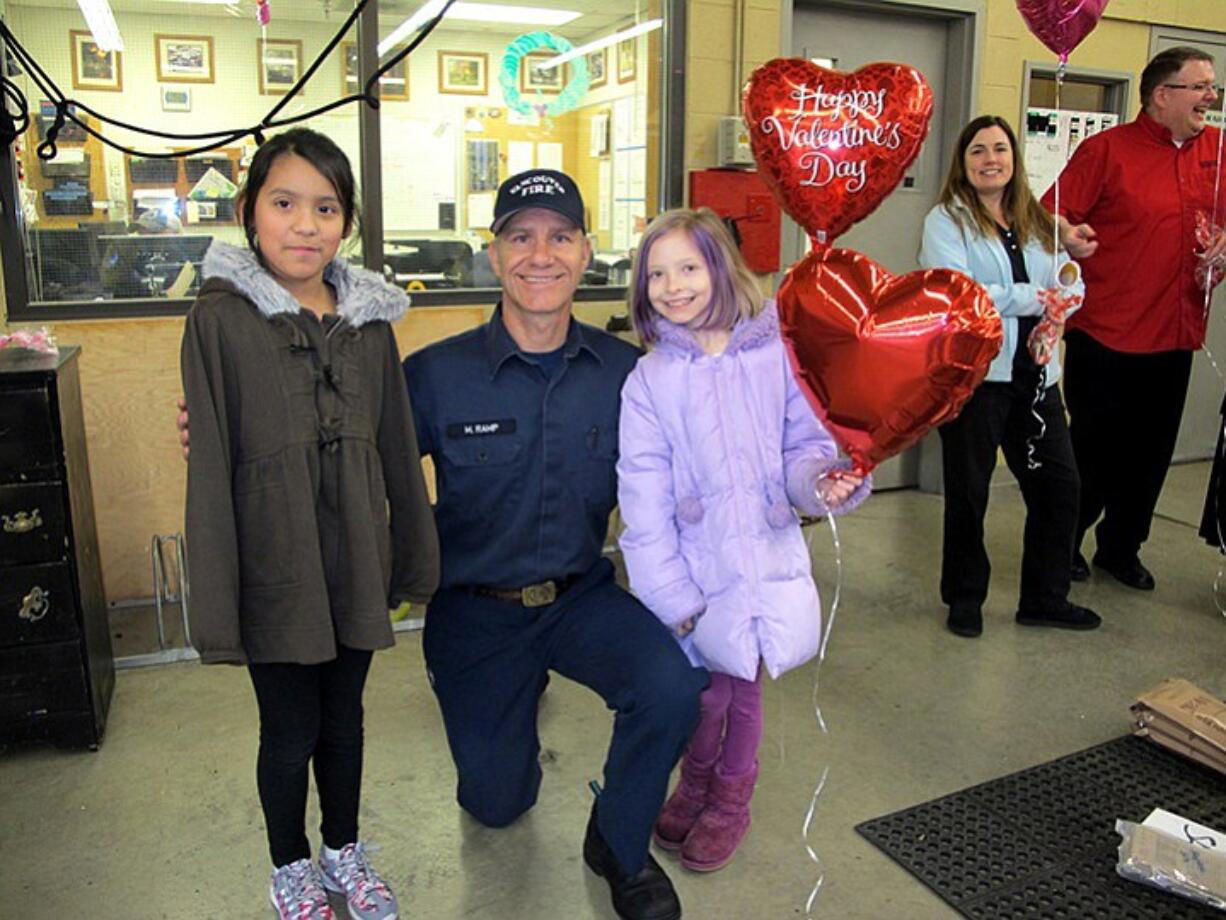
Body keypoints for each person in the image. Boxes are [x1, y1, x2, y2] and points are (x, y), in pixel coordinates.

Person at [402, 170, 706, 920]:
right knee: (496, 804)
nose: (541, 255)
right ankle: (511, 715)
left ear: (587, 251)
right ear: (494, 253)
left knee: (673, 688)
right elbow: (346, 460)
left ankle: (618, 841)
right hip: (475, 614)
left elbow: (712, 452)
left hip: (580, 596)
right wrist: (230, 426)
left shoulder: (628, 375)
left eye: (560, 236)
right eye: (520, 237)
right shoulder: (435, 376)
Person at [180, 128, 440, 920]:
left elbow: (397, 443)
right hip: (276, 563)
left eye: (325, 207)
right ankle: (290, 865)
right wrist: (218, 596)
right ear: (248, 212)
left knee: (346, 720)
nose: (304, 224)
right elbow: (212, 461)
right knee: (288, 729)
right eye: (284, 203)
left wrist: (410, 558)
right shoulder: (219, 322)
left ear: (348, 223)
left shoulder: (370, 322)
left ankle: (344, 850)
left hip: (354, 556)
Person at [616, 208, 869, 871]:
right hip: (697, 576)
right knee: (705, 693)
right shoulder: (649, 382)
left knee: (744, 691)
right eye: (657, 274)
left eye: (688, 267)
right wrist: (670, 595)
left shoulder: (775, 356)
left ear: (721, 267)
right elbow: (641, 500)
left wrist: (822, 484)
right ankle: (695, 781)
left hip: (762, 564)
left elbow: (804, 449)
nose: (673, 286)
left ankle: (730, 795)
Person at [1042, 46, 1226, 591]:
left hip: (1177, 331)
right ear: (1161, 95)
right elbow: (1050, 214)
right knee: (1094, 452)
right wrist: (1069, 238)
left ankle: (1122, 548)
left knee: (1150, 456)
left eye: (1212, 87)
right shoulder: (1106, 151)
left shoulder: (1217, 151)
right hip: (1109, 332)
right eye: (1199, 87)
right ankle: (1064, 543)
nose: (1210, 98)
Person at [920, 115, 1101, 637]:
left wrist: (1067, 291)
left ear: (1014, 159)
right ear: (964, 162)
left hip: (1038, 377)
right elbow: (960, 294)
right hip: (977, 380)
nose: (990, 159)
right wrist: (1036, 299)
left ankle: (1045, 597)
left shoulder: (1039, 219)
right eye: (978, 150)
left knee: (1059, 487)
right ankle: (965, 598)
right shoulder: (945, 222)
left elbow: (1067, 278)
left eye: (1000, 149)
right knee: (970, 493)